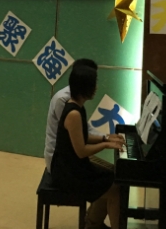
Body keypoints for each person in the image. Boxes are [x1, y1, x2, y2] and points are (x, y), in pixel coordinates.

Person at [50, 64, 125, 229]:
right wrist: (106, 144)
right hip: (68, 173)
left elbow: (82, 136)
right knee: (114, 188)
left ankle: (92, 223)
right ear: (84, 87)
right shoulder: (73, 113)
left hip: (73, 166)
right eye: (93, 84)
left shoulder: (77, 107)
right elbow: (82, 151)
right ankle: (95, 224)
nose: (96, 87)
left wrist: (106, 137)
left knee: (113, 178)